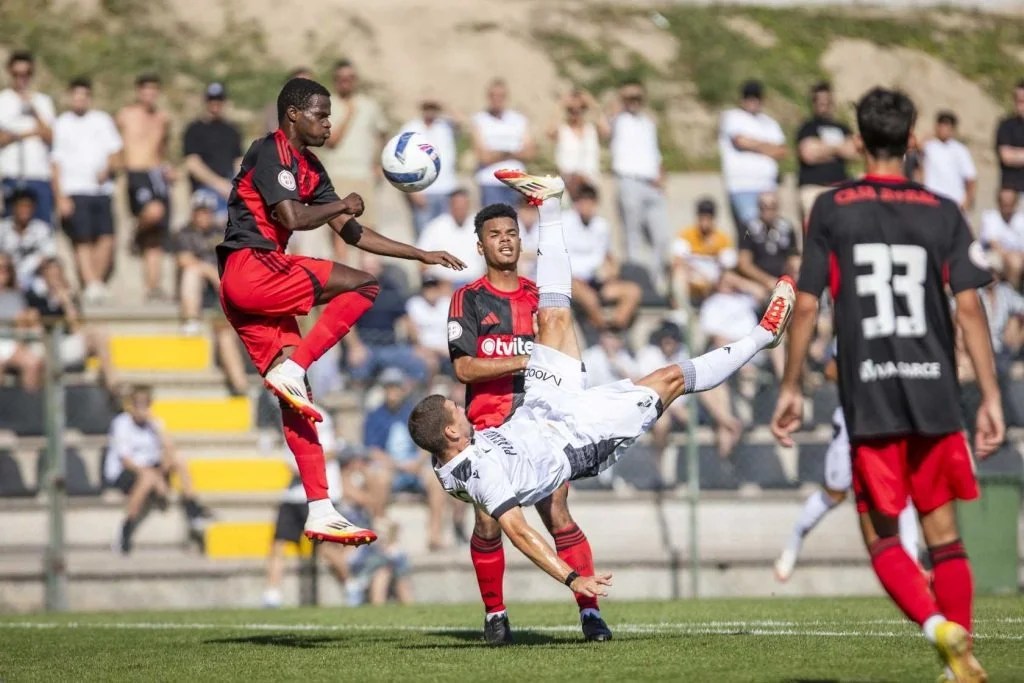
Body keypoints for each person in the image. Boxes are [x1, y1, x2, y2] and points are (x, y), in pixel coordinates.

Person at [411, 170, 795, 619]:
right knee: (668, 379)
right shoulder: (478, 473)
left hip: (535, 409)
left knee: (554, 314)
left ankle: (549, 203)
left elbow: (443, 440)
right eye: (454, 408)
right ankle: (760, 338)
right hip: (577, 437)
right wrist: (572, 578)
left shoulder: (455, 450)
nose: (459, 404)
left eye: (512, 233)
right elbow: (519, 531)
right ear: (454, 431)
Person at [771, 87, 1001, 683]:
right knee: (944, 536)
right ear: (914, 139)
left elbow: (805, 304)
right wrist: (992, 397)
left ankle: (936, 628)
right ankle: (962, 657)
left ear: (856, 141)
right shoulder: (943, 208)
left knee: (881, 538)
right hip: (934, 389)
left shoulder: (831, 208)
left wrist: (792, 385)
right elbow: (970, 309)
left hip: (870, 388)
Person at [216, 77, 465, 547]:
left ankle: (321, 509)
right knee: (363, 285)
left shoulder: (310, 168)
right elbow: (291, 218)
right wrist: (342, 202)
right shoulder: (269, 151)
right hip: (252, 267)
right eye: (320, 114)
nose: (329, 123)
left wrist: (420, 254)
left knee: (298, 404)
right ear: (292, 114)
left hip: (249, 291)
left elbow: (353, 232)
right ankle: (296, 365)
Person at [446, 195, 607, 645]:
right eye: (495, 235)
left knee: (557, 513)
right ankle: (495, 614)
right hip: (489, 427)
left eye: (512, 234)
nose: (505, 241)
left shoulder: (541, 298)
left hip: (540, 424)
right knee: (487, 523)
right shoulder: (469, 299)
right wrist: (525, 357)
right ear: (480, 246)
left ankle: (591, 613)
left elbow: (563, 354)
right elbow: (463, 369)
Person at [773, 349, 920, 583]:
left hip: (887, 418)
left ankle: (913, 564)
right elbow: (831, 370)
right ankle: (794, 541)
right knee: (835, 493)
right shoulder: (851, 323)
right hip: (852, 422)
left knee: (902, 488)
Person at [104, 385, 212, 554]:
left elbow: (169, 449)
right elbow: (126, 461)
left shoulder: (154, 423)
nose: (142, 409)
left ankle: (192, 509)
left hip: (151, 468)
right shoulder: (121, 424)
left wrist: (159, 431)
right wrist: (156, 478)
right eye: (138, 404)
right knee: (146, 478)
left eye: (146, 404)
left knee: (180, 459)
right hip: (126, 472)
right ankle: (125, 530)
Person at [263, 410, 349, 608]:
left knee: (326, 548)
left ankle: (351, 584)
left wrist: (304, 461)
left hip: (318, 494)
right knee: (278, 543)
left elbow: (328, 450)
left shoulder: (319, 415)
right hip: (293, 495)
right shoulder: (287, 415)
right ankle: (271, 594)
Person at [50, 77, 122, 303]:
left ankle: (96, 282)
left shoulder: (101, 120)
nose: (80, 99)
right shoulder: (61, 123)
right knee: (82, 238)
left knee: (107, 237)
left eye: (84, 95)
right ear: (70, 97)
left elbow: (116, 151)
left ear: (89, 97)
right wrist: (60, 196)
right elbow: (55, 163)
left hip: (101, 190)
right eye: (76, 95)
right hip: (74, 189)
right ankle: (91, 284)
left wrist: (109, 167)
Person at [364, 367, 448, 550]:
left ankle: (435, 534)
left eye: (396, 387)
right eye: (388, 387)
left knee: (436, 479)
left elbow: (428, 442)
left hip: (415, 467)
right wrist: (396, 465)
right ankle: (381, 530)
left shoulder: (415, 413)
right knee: (378, 477)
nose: (392, 391)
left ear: (403, 389)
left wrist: (417, 462)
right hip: (391, 467)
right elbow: (372, 450)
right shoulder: (374, 415)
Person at [174, 190, 249, 395]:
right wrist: (209, 272)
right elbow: (184, 260)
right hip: (203, 289)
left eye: (207, 211)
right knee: (192, 272)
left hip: (225, 290)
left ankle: (245, 388)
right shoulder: (184, 233)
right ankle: (191, 319)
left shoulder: (221, 232)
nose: (203, 215)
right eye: (200, 211)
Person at [313, 60, 388, 260]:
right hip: (337, 174)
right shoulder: (327, 105)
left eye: (350, 78)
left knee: (368, 226)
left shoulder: (369, 105)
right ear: (335, 80)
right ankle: (344, 275)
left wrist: (379, 163)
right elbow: (330, 140)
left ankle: (367, 279)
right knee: (339, 228)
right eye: (341, 78)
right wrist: (349, 114)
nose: (346, 82)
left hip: (363, 174)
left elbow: (381, 133)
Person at [117, 74, 174, 301]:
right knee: (153, 212)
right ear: (138, 92)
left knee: (156, 236)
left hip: (156, 173)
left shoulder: (162, 118)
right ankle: (134, 233)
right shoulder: (126, 115)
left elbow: (162, 149)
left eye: (154, 90)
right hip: (135, 171)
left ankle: (153, 286)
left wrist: (167, 168)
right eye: (145, 90)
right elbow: (114, 144)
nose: (149, 95)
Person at [608, 79, 669, 288]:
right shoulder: (618, 120)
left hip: (651, 183)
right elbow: (604, 126)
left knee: (661, 237)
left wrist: (662, 174)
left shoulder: (648, 123)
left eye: (637, 98)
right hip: (629, 180)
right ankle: (635, 282)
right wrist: (620, 100)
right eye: (629, 98)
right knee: (631, 236)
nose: (633, 102)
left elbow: (655, 152)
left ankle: (655, 282)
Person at [562, 183, 641, 333]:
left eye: (590, 202)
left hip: (596, 280)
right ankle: (603, 330)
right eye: (583, 202)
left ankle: (617, 328)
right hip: (570, 280)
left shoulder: (602, 226)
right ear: (576, 203)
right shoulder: (564, 222)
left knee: (632, 291)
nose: (587, 206)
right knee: (589, 297)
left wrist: (612, 273)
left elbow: (608, 256)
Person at [719, 80, 786, 230]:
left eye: (756, 97)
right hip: (742, 186)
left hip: (767, 187)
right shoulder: (733, 117)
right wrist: (768, 147)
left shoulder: (770, 123)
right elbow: (740, 141)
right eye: (748, 97)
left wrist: (755, 145)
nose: (752, 101)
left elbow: (781, 151)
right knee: (750, 231)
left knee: (769, 231)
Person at [0, 51, 55, 223]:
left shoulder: (43, 101)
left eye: (26, 74)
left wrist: (33, 109)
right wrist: (29, 133)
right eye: (16, 74)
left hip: (39, 175)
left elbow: (49, 136)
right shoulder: (3, 101)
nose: (21, 79)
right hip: (11, 175)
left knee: (42, 230)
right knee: (9, 233)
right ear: (9, 73)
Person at [400, 96, 461, 236]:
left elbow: (461, 121)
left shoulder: (446, 126)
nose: (430, 111)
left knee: (447, 237)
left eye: (433, 107)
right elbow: (400, 161)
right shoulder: (410, 128)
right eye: (427, 107)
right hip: (423, 192)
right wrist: (411, 191)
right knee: (424, 239)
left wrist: (444, 104)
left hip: (446, 191)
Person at [795, 82, 855, 222]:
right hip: (813, 188)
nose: (824, 105)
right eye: (820, 102)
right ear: (814, 103)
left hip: (840, 188)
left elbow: (852, 151)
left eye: (827, 102)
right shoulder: (807, 127)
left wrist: (821, 148)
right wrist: (838, 148)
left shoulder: (842, 127)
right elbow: (808, 154)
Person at [471, 79, 535, 208]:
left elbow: (530, 152)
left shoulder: (519, 120)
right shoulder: (479, 120)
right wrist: (512, 152)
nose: (497, 99)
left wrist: (497, 153)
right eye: (493, 96)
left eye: (500, 96)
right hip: (490, 182)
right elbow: (483, 157)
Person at [183, 82, 243, 218]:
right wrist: (219, 184)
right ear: (206, 101)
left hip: (229, 185)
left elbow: (238, 160)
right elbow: (192, 164)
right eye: (212, 99)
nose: (215, 104)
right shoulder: (194, 129)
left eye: (218, 99)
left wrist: (235, 185)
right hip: (204, 188)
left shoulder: (232, 130)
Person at [416, 189, 485, 286]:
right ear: (450, 206)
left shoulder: (480, 227)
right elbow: (422, 262)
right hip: (444, 286)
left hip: (476, 284)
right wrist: (438, 285)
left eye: (463, 206)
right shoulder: (435, 227)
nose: (460, 210)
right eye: (457, 206)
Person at [547, 88, 605, 197]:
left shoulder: (591, 130)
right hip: (568, 183)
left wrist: (592, 103)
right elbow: (549, 132)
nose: (575, 113)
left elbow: (606, 130)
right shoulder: (563, 130)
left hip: (590, 183)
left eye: (580, 109)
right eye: (571, 110)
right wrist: (560, 105)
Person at [0, 252, 43, 391]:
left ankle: (28, 410)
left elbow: (27, 320)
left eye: (6, 268)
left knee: (32, 363)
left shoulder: (18, 295)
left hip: (14, 343)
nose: (3, 272)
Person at [0, 188, 55, 291]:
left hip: (34, 279)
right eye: (21, 206)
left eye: (28, 206)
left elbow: (48, 256)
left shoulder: (41, 229)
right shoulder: (2, 228)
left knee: (53, 270)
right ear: (14, 208)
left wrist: (29, 267)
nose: (25, 210)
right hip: (7, 279)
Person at [922, 111, 977, 211]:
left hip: (954, 201)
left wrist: (967, 200)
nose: (944, 129)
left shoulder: (960, 150)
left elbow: (970, 177)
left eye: (947, 126)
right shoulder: (928, 146)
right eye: (941, 125)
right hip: (931, 200)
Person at [406, 274, 453, 379]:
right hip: (424, 349)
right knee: (430, 363)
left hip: (446, 349)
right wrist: (425, 349)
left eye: (433, 287)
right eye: (427, 288)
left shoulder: (447, 303)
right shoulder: (414, 304)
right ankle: (428, 392)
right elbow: (412, 330)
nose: (431, 291)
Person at [980, 188, 1024, 287]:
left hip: (1018, 257)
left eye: (1010, 204)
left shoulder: (1021, 219)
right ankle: (1011, 294)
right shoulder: (990, 216)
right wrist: (1010, 257)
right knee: (1013, 263)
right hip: (994, 255)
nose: (1007, 207)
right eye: (1004, 204)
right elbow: (993, 243)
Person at [995, 79, 1024, 195]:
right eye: (1018, 101)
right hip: (1012, 194)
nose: (1021, 106)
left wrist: (1018, 154)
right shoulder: (1006, 126)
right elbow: (1006, 156)